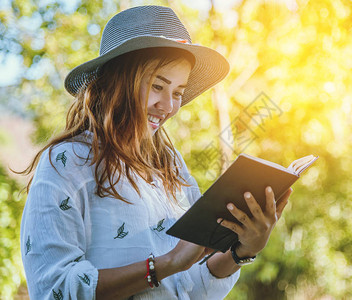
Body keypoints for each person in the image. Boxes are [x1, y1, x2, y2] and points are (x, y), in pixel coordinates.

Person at [20, 5, 293, 300]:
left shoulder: (171, 167)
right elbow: (55, 288)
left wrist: (242, 251)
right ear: (118, 83)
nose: (169, 106)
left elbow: (189, 284)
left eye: (177, 92)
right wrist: (164, 264)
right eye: (157, 86)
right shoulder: (66, 163)